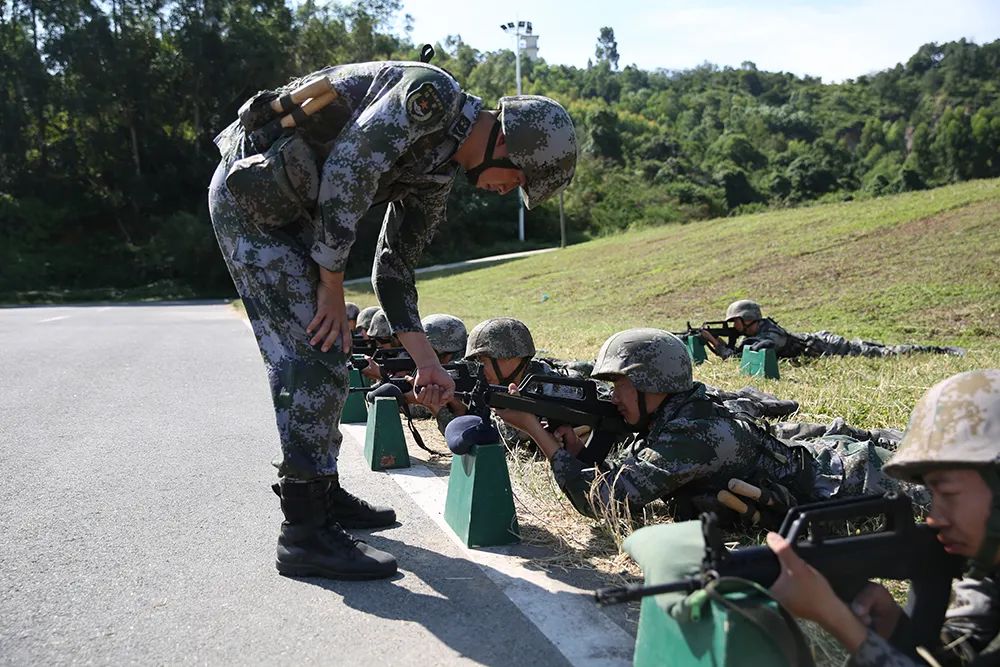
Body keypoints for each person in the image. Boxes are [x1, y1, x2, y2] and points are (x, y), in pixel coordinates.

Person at [208, 59, 577, 580]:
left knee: (331, 352)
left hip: (293, 215)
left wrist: (429, 362)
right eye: (519, 178)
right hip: (252, 201)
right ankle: (304, 533)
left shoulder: (439, 173)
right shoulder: (432, 97)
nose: (507, 190)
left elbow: (394, 269)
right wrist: (331, 283)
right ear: (509, 146)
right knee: (311, 354)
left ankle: (324, 493)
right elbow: (346, 172)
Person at [496, 328, 919, 524]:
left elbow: (606, 503)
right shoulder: (676, 414)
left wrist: (538, 433)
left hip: (863, 482)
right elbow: (631, 471)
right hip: (834, 467)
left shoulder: (691, 434)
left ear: (651, 384)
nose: (614, 397)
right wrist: (572, 448)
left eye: (620, 385)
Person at [766, 369, 1000, 665]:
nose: (934, 517)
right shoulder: (988, 564)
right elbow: (958, 652)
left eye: (949, 494)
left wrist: (837, 620)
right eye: (932, 495)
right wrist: (897, 629)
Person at [700, 300, 965, 360]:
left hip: (827, 346)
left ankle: (941, 350)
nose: (732, 327)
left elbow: (752, 354)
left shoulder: (770, 334)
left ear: (747, 320)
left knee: (885, 353)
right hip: (821, 341)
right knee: (876, 348)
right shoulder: (759, 332)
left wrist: (720, 347)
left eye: (735, 321)